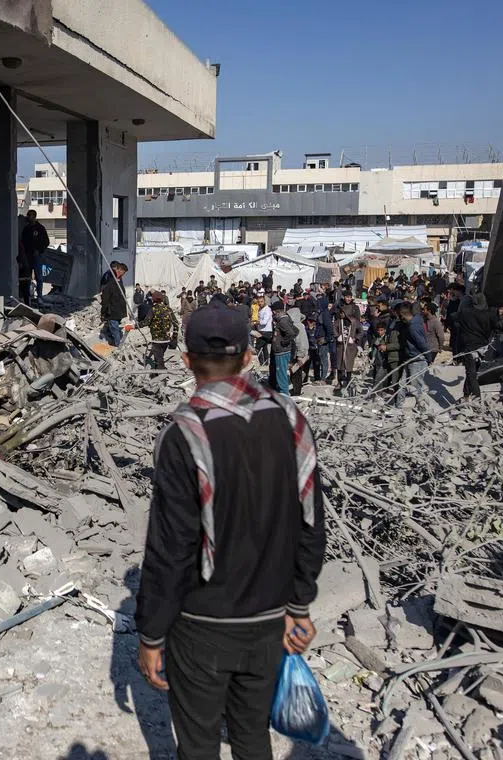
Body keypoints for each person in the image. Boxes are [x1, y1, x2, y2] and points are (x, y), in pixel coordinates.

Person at [135, 301, 326, 760]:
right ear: (248, 358)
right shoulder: (290, 418)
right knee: (252, 737)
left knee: (199, 744)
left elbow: (171, 548)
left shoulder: (183, 434)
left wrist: (151, 633)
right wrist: (299, 603)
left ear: (185, 360)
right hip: (269, 621)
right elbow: (312, 522)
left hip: (202, 625)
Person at [454, 292, 496, 399]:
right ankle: (467, 395)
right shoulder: (490, 313)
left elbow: (454, 319)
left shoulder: (465, 313)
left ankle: (476, 398)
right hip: (482, 348)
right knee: (473, 373)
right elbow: (498, 326)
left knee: (471, 374)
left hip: (469, 348)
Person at [395, 302, 430, 407]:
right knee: (402, 384)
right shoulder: (414, 322)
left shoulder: (413, 327)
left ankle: (422, 408)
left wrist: (429, 358)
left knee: (416, 387)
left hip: (417, 359)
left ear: (402, 314)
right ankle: (399, 406)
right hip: (410, 358)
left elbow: (422, 344)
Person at [20, 209, 50, 303]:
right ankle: (28, 296)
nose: (28, 217)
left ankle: (39, 296)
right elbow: (23, 242)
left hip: (37, 256)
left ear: (34, 216)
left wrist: (39, 250)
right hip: (27, 256)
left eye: (30, 215)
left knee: (39, 277)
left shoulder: (40, 228)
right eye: (28, 215)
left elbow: (46, 242)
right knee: (27, 277)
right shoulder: (26, 229)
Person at [333, 291, 360, 392]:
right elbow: (335, 323)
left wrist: (355, 338)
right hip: (341, 338)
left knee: (349, 363)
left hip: (350, 338)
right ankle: (339, 382)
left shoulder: (355, 308)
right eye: (346, 297)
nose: (348, 299)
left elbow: (358, 324)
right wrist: (337, 335)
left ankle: (348, 382)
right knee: (340, 362)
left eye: (350, 297)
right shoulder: (340, 306)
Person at [269, 299, 297, 394]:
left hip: (281, 351)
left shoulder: (282, 321)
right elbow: (296, 330)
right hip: (282, 350)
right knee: (282, 373)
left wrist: (284, 342)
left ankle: (284, 394)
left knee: (281, 374)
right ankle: (283, 391)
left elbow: (292, 333)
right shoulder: (284, 319)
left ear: (275, 311)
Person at [146, 290, 179, 369]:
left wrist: (133, 326)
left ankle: (161, 376)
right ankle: (158, 371)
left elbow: (145, 322)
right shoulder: (168, 309)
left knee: (159, 360)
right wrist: (174, 337)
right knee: (160, 357)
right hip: (166, 340)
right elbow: (176, 324)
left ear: (154, 299)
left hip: (156, 340)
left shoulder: (153, 309)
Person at [100, 261, 129, 347]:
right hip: (114, 310)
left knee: (114, 328)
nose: (123, 274)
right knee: (114, 328)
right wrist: (103, 312)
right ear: (119, 270)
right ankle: (117, 344)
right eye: (123, 272)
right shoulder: (111, 280)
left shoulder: (118, 281)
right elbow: (105, 298)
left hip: (116, 311)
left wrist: (103, 312)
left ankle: (117, 345)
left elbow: (109, 298)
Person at [287, 300, 311, 395]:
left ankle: (297, 392)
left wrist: (300, 355)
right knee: (294, 372)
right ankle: (295, 390)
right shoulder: (295, 326)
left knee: (297, 373)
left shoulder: (299, 327)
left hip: (299, 353)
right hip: (295, 352)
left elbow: (302, 342)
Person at [253, 295, 273, 365]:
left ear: (264, 301)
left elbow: (264, 322)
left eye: (261, 301)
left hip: (266, 331)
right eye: (259, 302)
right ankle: (266, 363)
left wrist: (256, 323)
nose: (260, 303)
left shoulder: (267, 309)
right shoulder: (260, 309)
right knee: (264, 348)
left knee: (257, 348)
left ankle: (261, 362)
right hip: (261, 330)